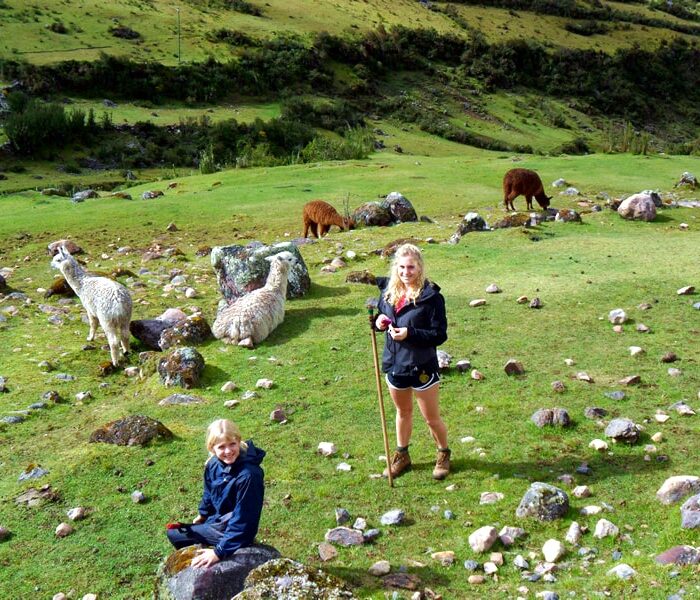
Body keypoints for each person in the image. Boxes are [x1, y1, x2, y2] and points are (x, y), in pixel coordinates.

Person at [375, 243, 450, 480]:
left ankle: (443, 453)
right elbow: (381, 315)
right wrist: (378, 322)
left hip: (422, 366)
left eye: (411, 267)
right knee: (403, 411)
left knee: (431, 417)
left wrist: (410, 333)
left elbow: (439, 335)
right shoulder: (388, 292)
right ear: (395, 267)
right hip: (395, 364)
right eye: (401, 267)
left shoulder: (432, 298)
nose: (406, 272)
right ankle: (402, 455)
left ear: (420, 268)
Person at [166, 419, 265, 568]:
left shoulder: (249, 475)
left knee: (175, 535)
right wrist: (203, 514)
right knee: (177, 531)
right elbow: (209, 492)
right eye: (221, 447)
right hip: (217, 520)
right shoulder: (213, 464)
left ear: (238, 441)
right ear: (212, 448)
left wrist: (219, 552)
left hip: (234, 527)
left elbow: (244, 518)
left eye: (232, 444)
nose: (228, 451)